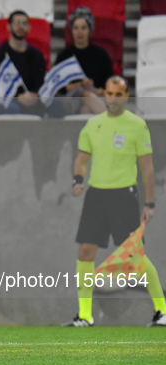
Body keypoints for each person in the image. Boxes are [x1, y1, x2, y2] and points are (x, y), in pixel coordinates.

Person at [66, 76, 166, 327]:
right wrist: (77, 178)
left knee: (135, 257)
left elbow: (147, 168)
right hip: (96, 196)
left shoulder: (137, 125)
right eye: (109, 93)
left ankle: (162, 310)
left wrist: (149, 203)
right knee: (85, 252)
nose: (113, 98)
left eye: (119, 94)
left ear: (127, 96)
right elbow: (81, 158)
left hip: (123, 196)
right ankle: (85, 316)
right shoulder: (92, 125)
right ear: (105, 95)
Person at [0, 10, 61, 117]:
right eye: (17, 23)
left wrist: (33, 96)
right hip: (6, 98)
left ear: (29, 28)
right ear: (9, 27)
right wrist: (18, 98)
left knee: (57, 104)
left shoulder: (36, 55)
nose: (20, 27)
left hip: (32, 99)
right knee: (13, 108)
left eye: (24, 23)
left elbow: (41, 83)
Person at [55, 7, 113, 115]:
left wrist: (95, 90)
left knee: (86, 110)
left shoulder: (101, 55)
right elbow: (60, 89)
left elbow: (109, 85)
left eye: (83, 28)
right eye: (76, 28)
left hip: (96, 97)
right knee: (85, 94)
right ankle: (114, 123)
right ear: (71, 30)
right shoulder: (64, 56)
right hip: (70, 99)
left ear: (90, 30)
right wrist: (81, 85)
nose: (79, 32)